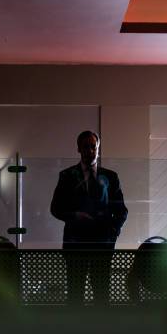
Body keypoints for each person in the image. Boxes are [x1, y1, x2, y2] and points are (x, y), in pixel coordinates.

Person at [51, 130, 128, 305]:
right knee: (75, 296)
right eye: (86, 146)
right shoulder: (67, 176)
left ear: (98, 148)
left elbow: (122, 211)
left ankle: (99, 331)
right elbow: (55, 208)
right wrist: (75, 216)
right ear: (78, 148)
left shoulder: (110, 176)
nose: (90, 150)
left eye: (93, 146)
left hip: (102, 245)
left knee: (102, 297)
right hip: (75, 244)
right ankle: (77, 331)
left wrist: (112, 234)